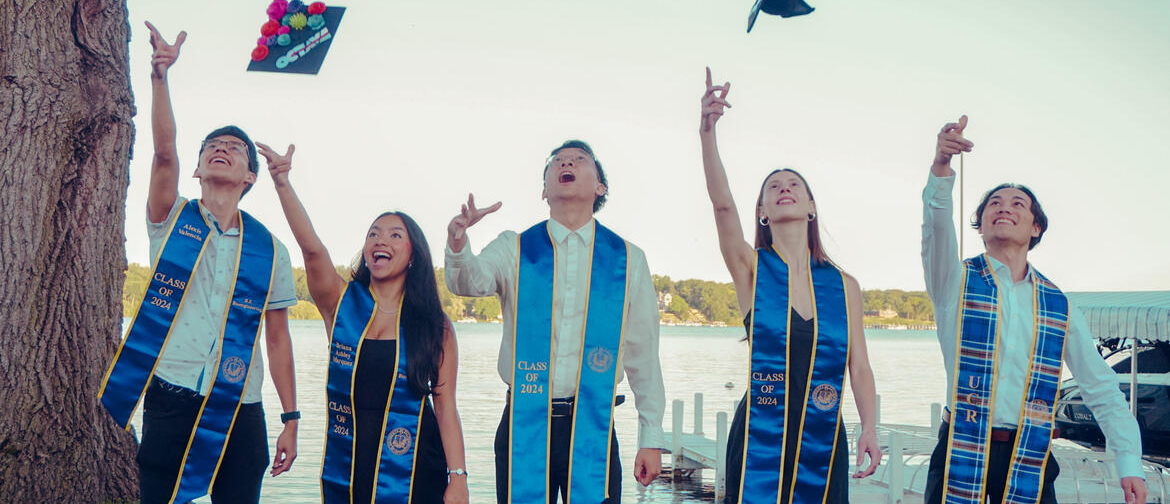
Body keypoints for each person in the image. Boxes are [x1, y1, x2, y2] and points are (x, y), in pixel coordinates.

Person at [99, 22, 299, 504]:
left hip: (240, 408)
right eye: (213, 146)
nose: (222, 149)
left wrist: (291, 419)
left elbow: (277, 338)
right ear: (198, 168)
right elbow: (163, 153)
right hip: (171, 397)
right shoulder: (171, 220)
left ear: (251, 175)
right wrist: (160, 77)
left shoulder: (270, 250)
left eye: (235, 148)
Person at [922, 115, 1147, 504]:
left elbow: (1100, 385)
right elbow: (936, 226)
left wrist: (1129, 460)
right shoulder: (953, 280)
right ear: (979, 225)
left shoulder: (1057, 304)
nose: (1003, 208)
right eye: (994, 203)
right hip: (960, 445)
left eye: (1017, 204)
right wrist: (942, 166)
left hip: (1031, 453)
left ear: (1036, 227)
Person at [444, 139, 666, 504]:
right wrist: (458, 242)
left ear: (600, 187)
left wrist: (651, 438)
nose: (567, 163)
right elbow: (468, 281)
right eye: (557, 161)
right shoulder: (514, 248)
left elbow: (643, 353)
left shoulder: (627, 259)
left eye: (580, 160)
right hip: (524, 423)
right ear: (544, 189)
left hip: (593, 424)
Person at [699, 68, 881, 504]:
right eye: (773, 187)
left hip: (824, 437)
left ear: (811, 206)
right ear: (761, 209)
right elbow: (722, 206)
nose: (784, 188)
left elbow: (859, 367)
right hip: (760, 435)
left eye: (794, 184)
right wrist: (707, 132)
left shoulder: (844, 286)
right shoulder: (751, 270)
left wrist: (870, 428)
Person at [257, 143, 469, 504]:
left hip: (417, 464)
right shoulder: (341, 305)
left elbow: (445, 404)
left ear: (413, 253)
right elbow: (312, 249)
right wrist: (282, 183)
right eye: (373, 234)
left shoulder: (435, 324)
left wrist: (459, 477)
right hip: (350, 461)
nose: (380, 240)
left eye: (394, 235)